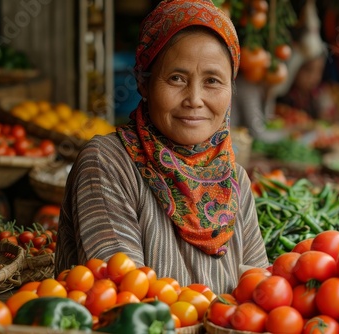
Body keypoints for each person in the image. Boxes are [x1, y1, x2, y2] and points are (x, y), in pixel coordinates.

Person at [55, 0, 269, 294]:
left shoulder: (235, 179)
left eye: (212, 81)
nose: (194, 98)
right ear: (144, 83)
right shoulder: (108, 163)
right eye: (176, 78)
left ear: (231, 88)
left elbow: (261, 294)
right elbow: (122, 297)